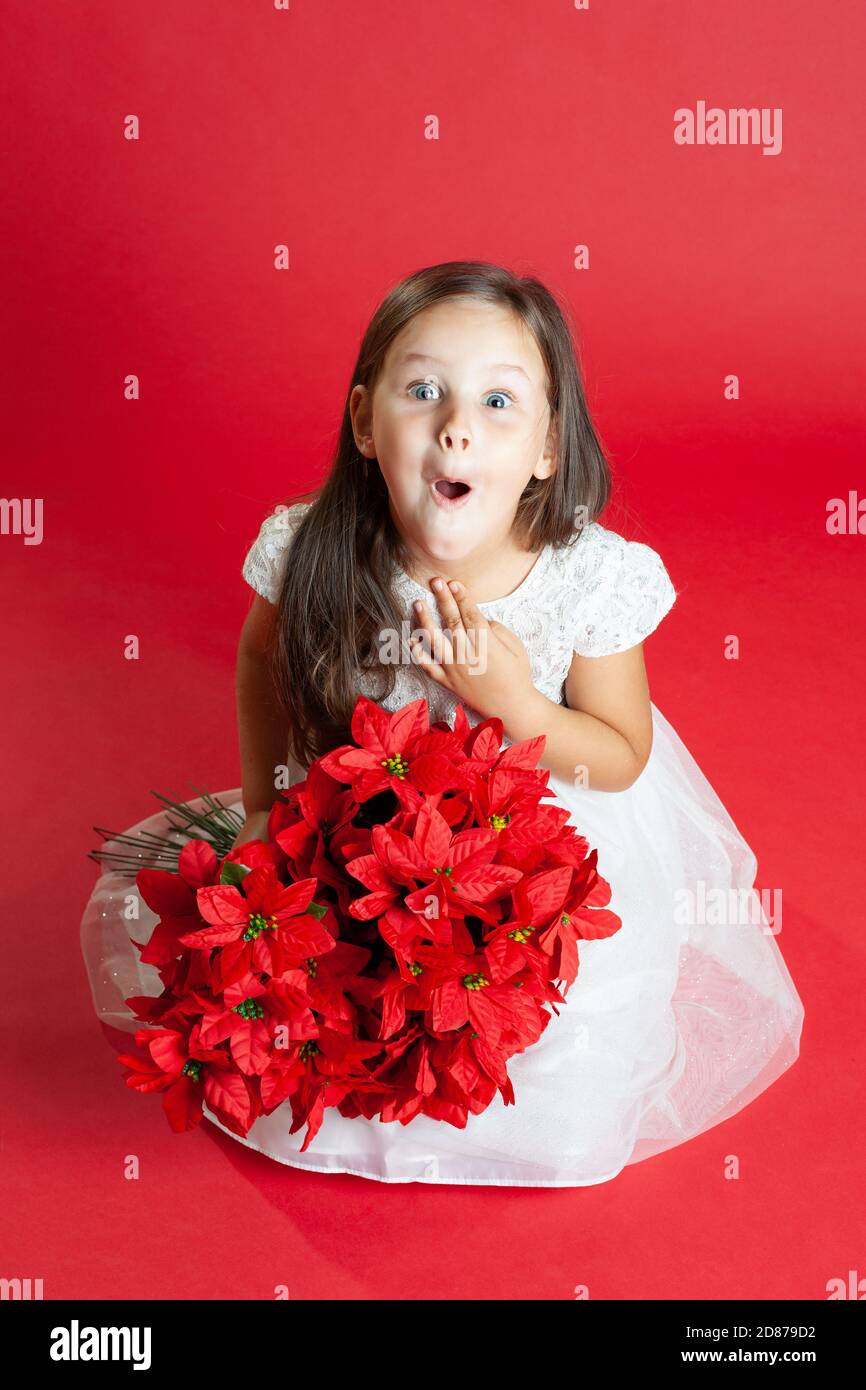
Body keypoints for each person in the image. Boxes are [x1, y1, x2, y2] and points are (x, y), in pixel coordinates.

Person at [86, 261, 805, 1186]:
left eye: (499, 402)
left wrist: (519, 704)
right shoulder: (315, 545)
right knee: (346, 1020)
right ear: (363, 426)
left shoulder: (587, 575)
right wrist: (268, 801)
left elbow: (622, 757)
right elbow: (264, 658)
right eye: (423, 390)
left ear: (549, 446)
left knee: (551, 1061)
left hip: (540, 842)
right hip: (362, 831)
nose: (457, 425)